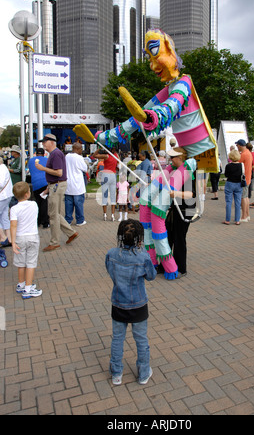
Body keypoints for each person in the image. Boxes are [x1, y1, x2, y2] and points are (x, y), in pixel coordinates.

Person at [105, 219, 157, 386]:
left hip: (119, 302)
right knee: (141, 339)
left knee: (117, 339)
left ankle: (117, 373)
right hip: (138, 304)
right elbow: (151, 276)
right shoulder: (143, 256)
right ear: (139, 239)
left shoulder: (112, 254)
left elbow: (109, 270)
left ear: (120, 237)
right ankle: (143, 373)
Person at [35, 134, 78, 252]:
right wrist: (49, 187)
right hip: (55, 185)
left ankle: (55, 242)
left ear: (52, 142)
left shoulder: (56, 154)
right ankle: (71, 233)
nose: (43, 144)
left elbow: (59, 173)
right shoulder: (55, 154)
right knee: (55, 213)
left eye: (44, 141)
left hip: (57, 185)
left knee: (53, 214)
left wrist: (43, 168)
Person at [165, 147, 196, 278]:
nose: (171, 160)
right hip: (175, 209)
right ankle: (166, 265)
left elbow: (190, 194)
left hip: (184, 210)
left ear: (180, 158)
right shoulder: (176, 171)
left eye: (173, 158)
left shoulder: (187, 173)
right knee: (167, 237)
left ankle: (181, 268)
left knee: (179, 239)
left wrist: (175, 194)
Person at [10, 182, 42, 299]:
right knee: (30, 263)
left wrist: (13, 242)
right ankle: (28, 288)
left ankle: (21, 283)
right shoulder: (34, 204)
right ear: (27, 194)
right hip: (32, 236)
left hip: (19, 237)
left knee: (21, 262)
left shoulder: (14, 209)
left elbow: (13, 225)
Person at [65, 142, 88, 226]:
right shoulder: (79, 158)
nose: (82, 151)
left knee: (68, 204)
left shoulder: (67, 156)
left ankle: (68, 220)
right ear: (77, 149)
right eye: (81, 149)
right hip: (77, 185)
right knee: (78, 204)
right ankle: (80, 220)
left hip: (68, 184)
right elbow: (85, 168)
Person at [94, 146, 119, 221]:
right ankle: (112, 215)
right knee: (112, 195)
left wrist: (99, 148)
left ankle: (105, 214)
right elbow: (118, 164)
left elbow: (94, 155)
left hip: (106, 174)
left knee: (104, 194)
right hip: (113, 175)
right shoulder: (116, 155)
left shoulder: (106, 156)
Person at [27, 148, 49, 229]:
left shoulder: (31, 160)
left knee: (37, 202)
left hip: (35, 184)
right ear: (44, 154)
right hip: (45, 183)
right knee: (44, 202)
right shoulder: (47, 160)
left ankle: (38, 221)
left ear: (36, 153)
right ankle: (45, 222)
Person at [223, 150, 243, 225]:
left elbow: (226, 175)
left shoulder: (228, 166)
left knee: (229, 202)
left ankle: (227, 219)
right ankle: (237, 220)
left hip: (230, 183)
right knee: (238, 202)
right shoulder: (241, 165)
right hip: (238, 184)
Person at [236, 139, 252, 222]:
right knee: (246, 197)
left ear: (240, 145)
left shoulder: (243, 154)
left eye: (237, 145)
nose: (237, 147)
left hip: (243, 179)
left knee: (243, 198)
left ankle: (244, 216)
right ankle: (247, 214)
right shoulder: (248, 153)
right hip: (248, 178)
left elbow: (236, 162)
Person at [0, 157, 13, 247]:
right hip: (7, 195)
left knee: (4, 216)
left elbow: (0, 184)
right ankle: (9, 238)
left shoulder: (1, 169)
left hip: (2, 196)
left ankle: (3, 237)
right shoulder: (4, 168)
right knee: (4, 216)